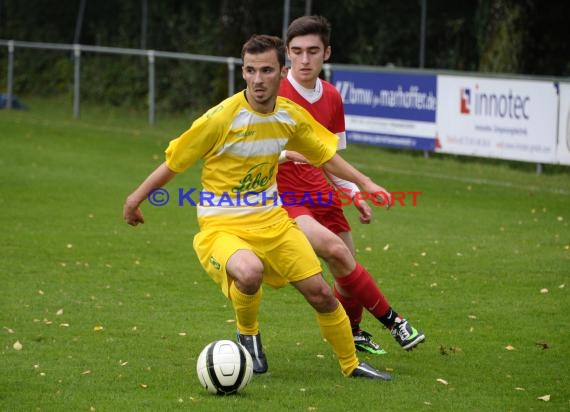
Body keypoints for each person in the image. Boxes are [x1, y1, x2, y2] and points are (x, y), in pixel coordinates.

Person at [123, 34, 392, 380]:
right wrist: (135, 199)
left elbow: (326, 155)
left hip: (273, 222)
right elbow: (174, 163)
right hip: (222, 226)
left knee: (322, 294)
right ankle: (247, 333)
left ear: (283, 72)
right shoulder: (221, 118)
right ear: (243, 71)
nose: (257, 79)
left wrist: (366, 184)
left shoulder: (289, 115)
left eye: (266, 70)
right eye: (250, 70)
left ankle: (351, 364)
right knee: (249, 272)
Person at [276, 15, 425, 356]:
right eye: (296, 51)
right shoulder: (275, 94)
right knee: (336, 251)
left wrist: (355, 194)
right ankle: (394, 321)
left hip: (322, 193)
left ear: (326, 53)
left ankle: (353, 333)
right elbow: (250, 149)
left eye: (312, 51)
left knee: (347, 270)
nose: (304, 59)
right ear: (286, 53)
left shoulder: (331, 97)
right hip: (286, 196)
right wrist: (286, 154)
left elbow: (332, 158)